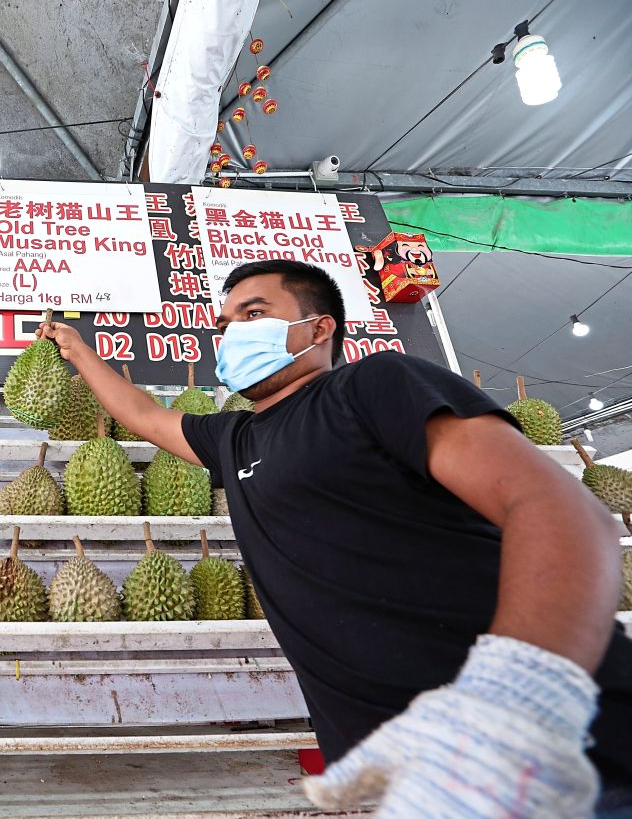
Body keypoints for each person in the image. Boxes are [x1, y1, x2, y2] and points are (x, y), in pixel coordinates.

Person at [39, 259, 632, 818]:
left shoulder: (373, 386)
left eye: (252, 314)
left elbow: (560, 509)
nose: (231, 335)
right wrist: (77, 350)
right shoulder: (236, 440)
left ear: (317, 328)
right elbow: (142, 416)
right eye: (223, 325)